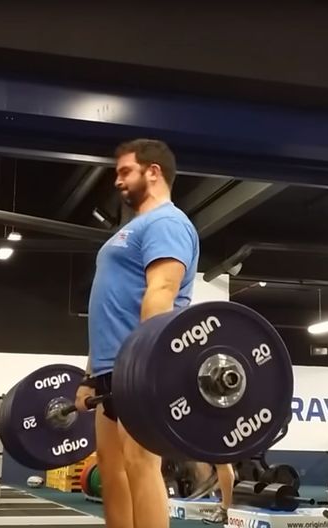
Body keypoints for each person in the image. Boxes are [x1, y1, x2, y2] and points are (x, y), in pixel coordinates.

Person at [75, 139, 199, 528]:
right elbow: (106, 312)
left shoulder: (167, 223)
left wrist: (145, 365)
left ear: (153, 172)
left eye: (125, 171)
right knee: (111, 469)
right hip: (109, 369)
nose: (117, 181)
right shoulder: (131, 229)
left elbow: (161, 292)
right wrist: (89, 376)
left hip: (138, 366)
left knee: (140, 464)